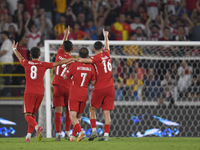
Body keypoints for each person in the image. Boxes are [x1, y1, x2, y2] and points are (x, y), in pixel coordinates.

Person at [12, 40, 75, 143]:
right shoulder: (43, 64)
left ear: (30, 55)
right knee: (33, 114)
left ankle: (37, 127)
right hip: (40, 93)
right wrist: (71, 59)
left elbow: (20, 58)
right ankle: (28, 136)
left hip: (29, 92)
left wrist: (15, 49)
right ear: (40, 55)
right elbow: (58, 63)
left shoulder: (26, 63)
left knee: (27, 114)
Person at [78, 29, 115, 141]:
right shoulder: (107, 54)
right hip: (111, 88)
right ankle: (106, 136)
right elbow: (107, 47)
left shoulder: (94, 58)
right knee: (106, 113)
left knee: (92, 109)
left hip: (100, 88)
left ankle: (94, 132)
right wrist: (106, 37)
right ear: (102, 48)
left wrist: (74, 60)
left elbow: (83, 60)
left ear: (94, 49)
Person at [63, 47, 96, 142]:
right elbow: (93, 82)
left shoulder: (74, 65)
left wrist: (66, 67)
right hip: (84, 93)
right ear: (88, 56)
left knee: (72, 116)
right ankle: (73, 136)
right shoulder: (91, 67)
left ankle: (81, 132)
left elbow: (65, 77)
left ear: (78, 55)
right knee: (78, 117)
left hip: (74, 93)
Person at [52, 26, 73, 141]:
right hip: (68, 87)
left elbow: (63, 43)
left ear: (63, 47)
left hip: (58, 87)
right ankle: (67, 133)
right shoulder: (72, 60)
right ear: (72, 49)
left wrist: (66, 34)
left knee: (58, 111)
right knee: (68, 111)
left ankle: (58, 134)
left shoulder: (59, 53)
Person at [0, 31, 13, 96]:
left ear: (5, 35)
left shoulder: (8, 41)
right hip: (4, 62)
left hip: (7, 62)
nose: (1, 35)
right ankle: (4, 92)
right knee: (5, 78)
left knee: (7, 78)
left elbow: (5, 51)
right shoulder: (5, 42)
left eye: (2, 34)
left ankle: (7, 92)